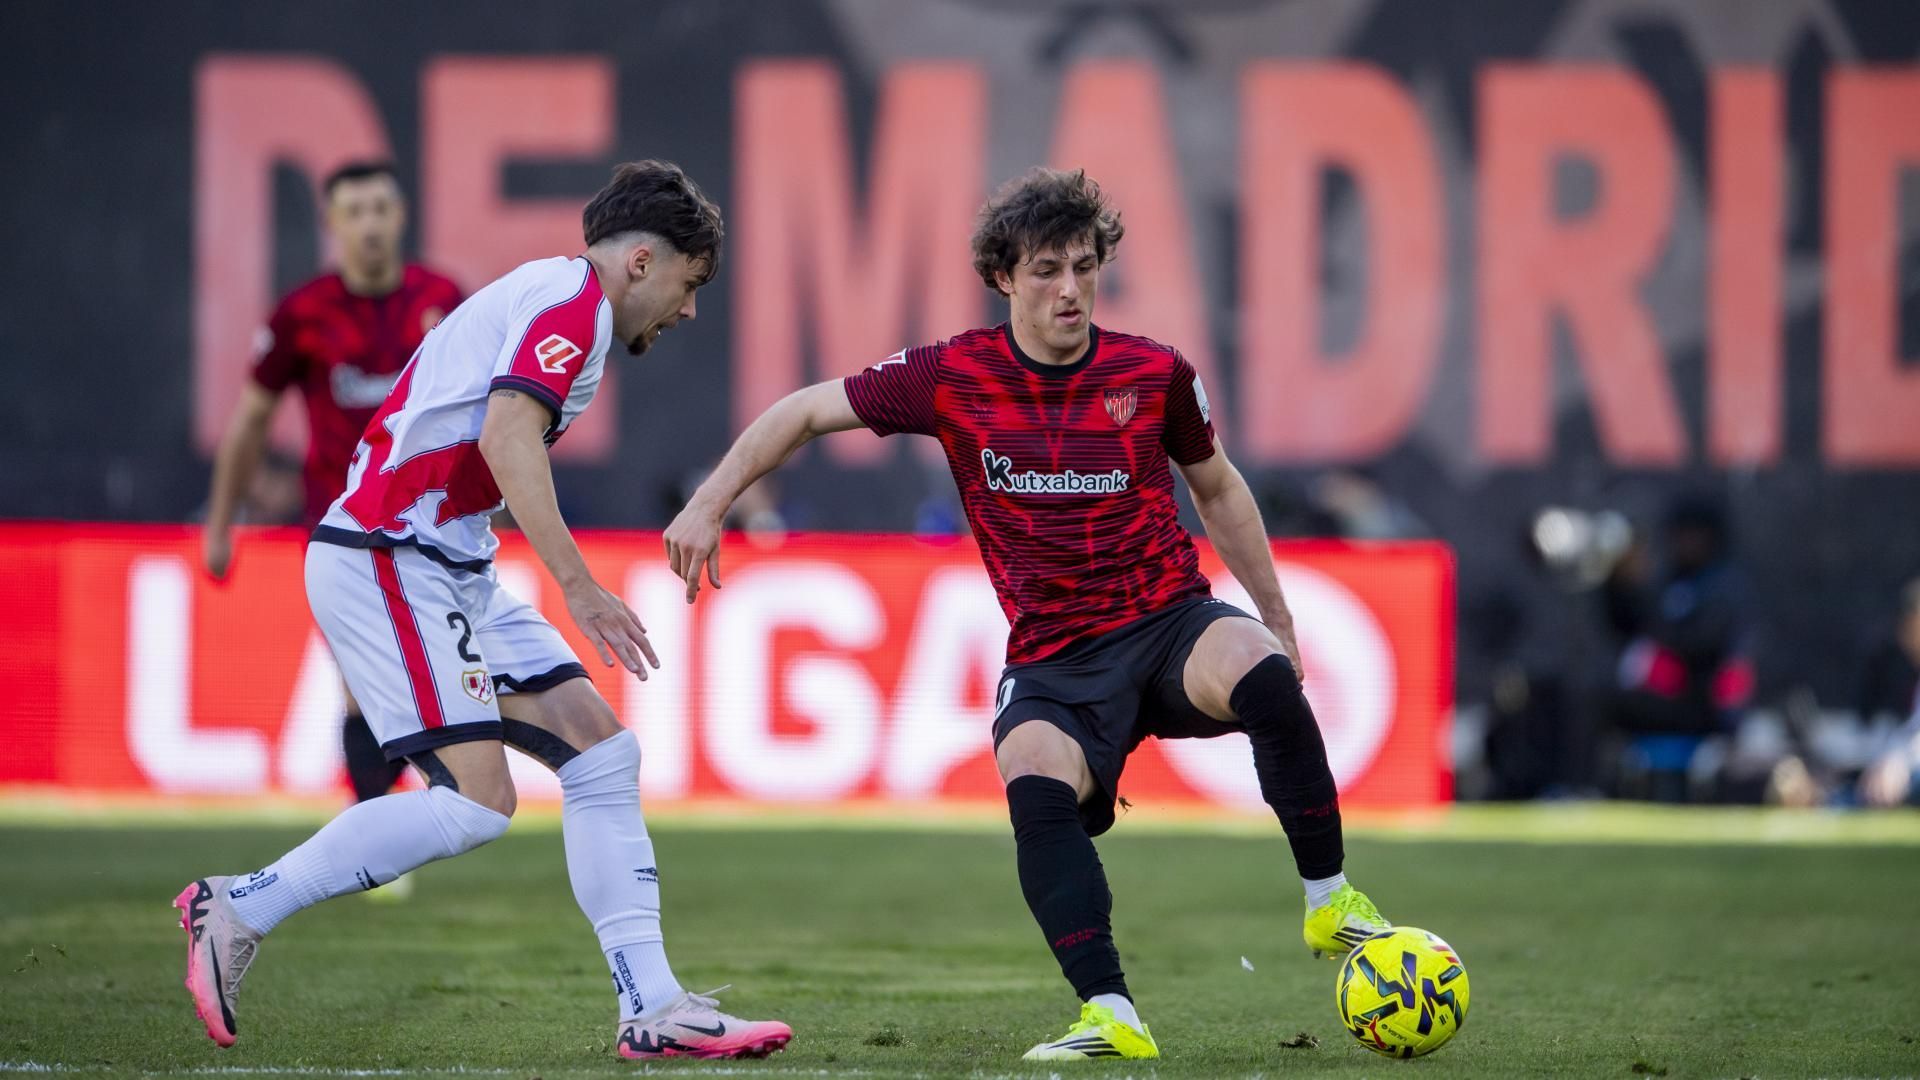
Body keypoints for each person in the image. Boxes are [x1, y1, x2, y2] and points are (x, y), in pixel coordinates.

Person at [664, 167, 1388, 1062]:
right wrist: (709, 502)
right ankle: (1110, 1014)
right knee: (1033, 778)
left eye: (1086, 267)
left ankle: (1330, 903)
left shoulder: (1153, 373)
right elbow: (806, 410)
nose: (1071, 289)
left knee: (1265, 675)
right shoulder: (953, 375)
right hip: (1055, 659)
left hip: (1167, 622)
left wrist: (1276, 616)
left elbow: (1220, 490)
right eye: (1047, 270)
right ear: (1004, 276)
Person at [174, 160, 792, 1061]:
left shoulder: (554, 297)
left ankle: (652, 1005)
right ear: (643, 261)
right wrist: (578, 584)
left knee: (603, 755)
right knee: (474, 803)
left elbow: (480, 445)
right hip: (388, 556)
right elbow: (507, 436)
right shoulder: (570, 308)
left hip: (444, 564)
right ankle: (236, 906)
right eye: (690, 286)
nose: (689, 310)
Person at [202, 161, 465, 826]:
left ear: (401, 215)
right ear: (332, 224)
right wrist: (220, 522)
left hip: (430, 523)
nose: (370, 225)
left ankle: (395, 813)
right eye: (355, 212)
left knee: (428, 678)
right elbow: (251, 421)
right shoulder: (303, 315)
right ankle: (373, 825)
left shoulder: (445, 300)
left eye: (381, 208)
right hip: (340, 529)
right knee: (360, 684)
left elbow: (491, 412)